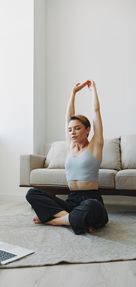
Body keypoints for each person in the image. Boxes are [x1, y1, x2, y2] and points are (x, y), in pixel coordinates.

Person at [26, 80, 108, 234]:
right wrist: (73, 93)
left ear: (88, 130)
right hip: (72, 200)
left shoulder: (95, 145)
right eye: (70, 130)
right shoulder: (70, 145)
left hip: (91, 198)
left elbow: (96, 111)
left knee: (92, 207)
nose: (73, 132)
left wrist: (93, 91)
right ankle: (73, 219)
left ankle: (54, 220)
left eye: (77, 128)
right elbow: (67, 117)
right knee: (32, 193)